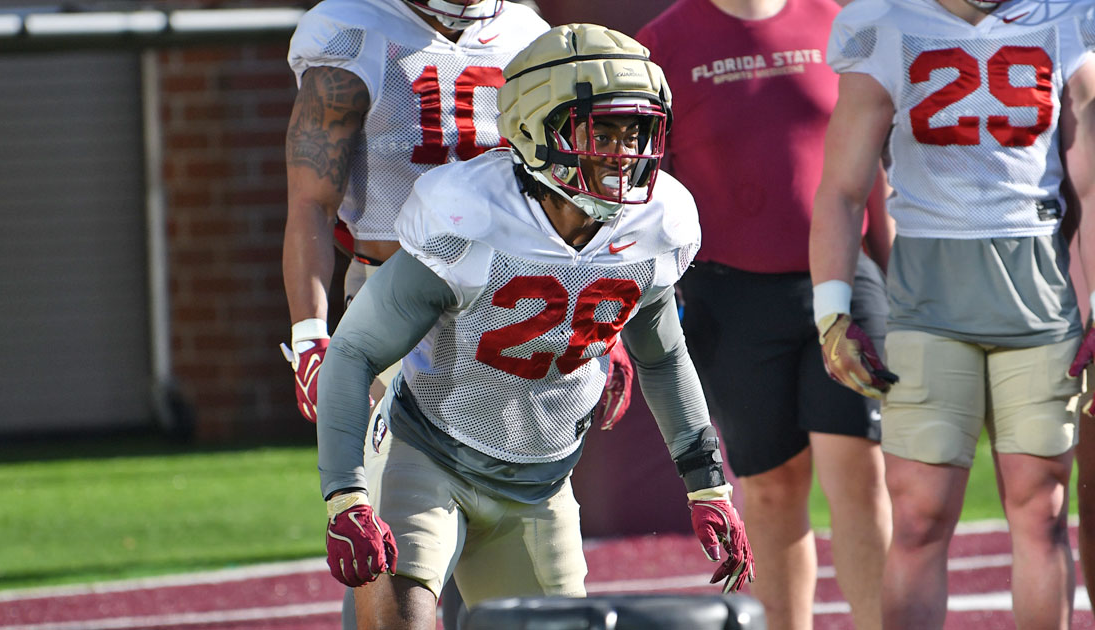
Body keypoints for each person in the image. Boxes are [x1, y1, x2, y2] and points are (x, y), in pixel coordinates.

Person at [314, 23, 754, 629]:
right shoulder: (469, 216)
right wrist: (346, 496)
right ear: (533, 128)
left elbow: (662, 356)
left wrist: (708, 486)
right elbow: (354, 351)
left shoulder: (659, 221)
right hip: (429, 453)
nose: (622, 154)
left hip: (540, 480)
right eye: (602, 131)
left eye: (636, 131)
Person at [811, 0, 1095, 627]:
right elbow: (840, 188)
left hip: (1039, 294)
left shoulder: (1066, 16)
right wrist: (832, 310)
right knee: (918, 516)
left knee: (1042, 510)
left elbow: (1092, 181)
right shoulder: (886, 22)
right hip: (926, 297)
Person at [281, 2, 549, 626]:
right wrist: (312, 334)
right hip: (394, 309)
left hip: (512, 309)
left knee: (510, 520)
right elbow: (310, 203)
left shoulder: (529, 35)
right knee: (395, 536)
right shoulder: (353, 28)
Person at [634, 1, 894, 628]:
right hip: (730, 299)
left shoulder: (838, 19)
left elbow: (867, 159)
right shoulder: (664, 41)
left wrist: (892, 271)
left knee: (859, 474)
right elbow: (643, 184)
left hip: (843, 282)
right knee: (772, 491)